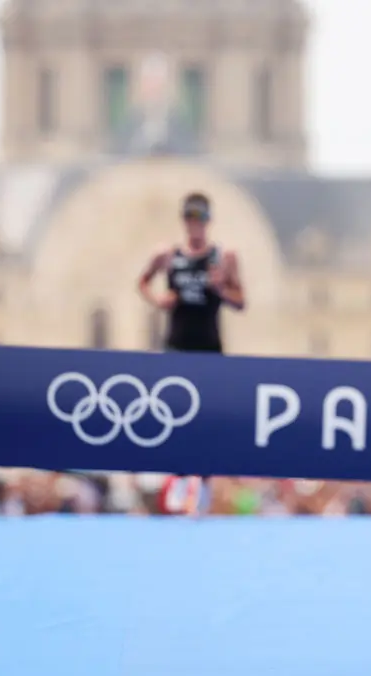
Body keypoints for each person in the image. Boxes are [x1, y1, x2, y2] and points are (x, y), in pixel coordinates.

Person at [137, 191, 246, 515]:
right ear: (183, 221)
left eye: (201, 219)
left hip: (209, 347)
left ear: (209, 221)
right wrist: (158, 300)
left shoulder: (224, 257)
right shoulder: (167, 255)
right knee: (174, 413)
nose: (195, 225)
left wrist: (221, 288)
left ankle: (205, 482)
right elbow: (142, 282)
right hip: (177, 345)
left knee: (208, 418)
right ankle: (180, 477)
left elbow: (241, 301)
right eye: (190, 218)